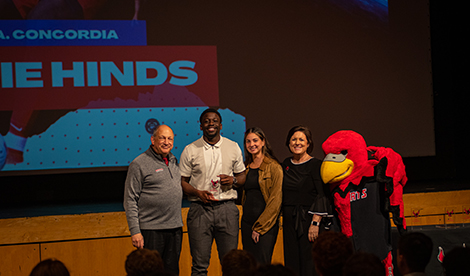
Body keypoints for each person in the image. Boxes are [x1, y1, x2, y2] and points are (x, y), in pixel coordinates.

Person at [180, 108, 246, 276]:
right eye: (207, 121)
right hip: (200, 210)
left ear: (220, 125)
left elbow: (242, 175)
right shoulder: (190, 149)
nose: (211, 124)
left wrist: (234, 181)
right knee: (199, 266)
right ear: (201, 126)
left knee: (231, 265)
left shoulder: (233, 147)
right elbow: (182, 182)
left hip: (227, 209)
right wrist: (197, 192)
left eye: (214, 121)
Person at [124, 124, 183, 275]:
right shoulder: (139, 163)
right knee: (151, 273)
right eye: (162, 138)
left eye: (170, 138)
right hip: (151, 230)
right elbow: (130, 199)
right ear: (153, 140)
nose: (166, 142)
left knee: (172, 272)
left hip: (175, 228)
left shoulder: (174, 160)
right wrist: (135, 231)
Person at [281, 125, 335, 276]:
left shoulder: (316, 165)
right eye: (294, 139)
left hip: (309, 220)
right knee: (291, 262)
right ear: (288, 142)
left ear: (308, 143)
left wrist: (315, 223)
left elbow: (321, 194)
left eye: (301, 139)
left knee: (309, 262)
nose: (297, 143)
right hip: (289, 220)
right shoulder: (285, 164)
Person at [241, 127, 283, 264]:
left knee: (262, 266)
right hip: (247, 224)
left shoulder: (274, 167)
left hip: (266, 226)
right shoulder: (245, 167)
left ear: (263, 142)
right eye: (248, 141)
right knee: (249, 267)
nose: (251, 144)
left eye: (255, 140)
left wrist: (260, 228)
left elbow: (275, 201)